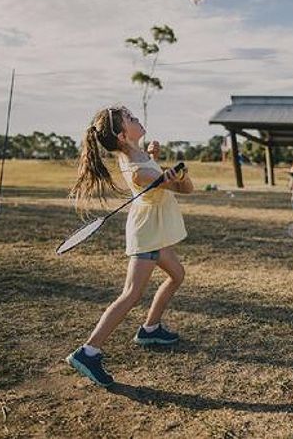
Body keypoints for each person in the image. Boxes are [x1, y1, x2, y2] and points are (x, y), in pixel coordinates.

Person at [65, 106, 193, 387]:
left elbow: (146, 168)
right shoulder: (139, 171)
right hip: (147, 236)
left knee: (177, 275)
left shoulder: (137, 156)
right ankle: (88, 351)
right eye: (131, 119)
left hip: (154, 232)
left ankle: (150, 329)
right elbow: (186, 190)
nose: (137, 119)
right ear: (123, 135)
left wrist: (154, 158)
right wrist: (177, 177)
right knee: (131, 294)